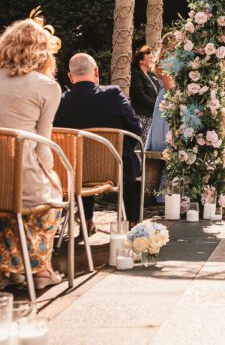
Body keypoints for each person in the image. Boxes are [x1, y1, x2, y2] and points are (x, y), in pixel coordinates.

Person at [0, 17, 63, 290]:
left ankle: (10, 268)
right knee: (54, 195)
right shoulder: (47, 86)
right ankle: (40, 269)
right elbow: (43, 145)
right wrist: (51, 175)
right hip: (22, 177)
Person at [54, 53, 144, 230]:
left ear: (71, 77)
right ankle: (133, 222)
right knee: (131, 163)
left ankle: (86, 220)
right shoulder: (113, 94)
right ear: (96, 71)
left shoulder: (62, 101)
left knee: (83, 163)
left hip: (76, 171)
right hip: (116, 168)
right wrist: (126, 147)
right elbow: (136, 128)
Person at [145, 34, 177, 152]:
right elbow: (169, 86)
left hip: (162, 97)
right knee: (166, 125)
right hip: (168, 98)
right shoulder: (166, 62)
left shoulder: (164, 60)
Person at [129, 45, 159, 143]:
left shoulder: (151, 76)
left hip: (152, 116)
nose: (151, 58)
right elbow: (139, 94)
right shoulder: (136, 74)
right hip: (142, 117)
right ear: (141, 61)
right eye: (148, 56)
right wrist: (156, 106)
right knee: (141, 145)